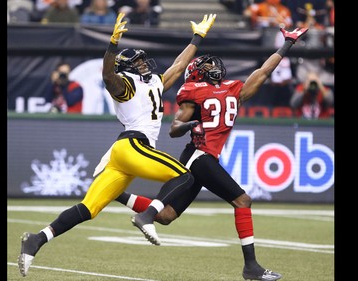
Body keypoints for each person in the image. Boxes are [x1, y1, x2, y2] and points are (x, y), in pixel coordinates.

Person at [18, 12, 216, 277]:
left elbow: (179, 67)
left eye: (145, 61)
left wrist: (197, 37)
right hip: (133, 145)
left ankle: (36, 240)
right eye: (139, 63)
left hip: (126, 155)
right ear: (129, 67)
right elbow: (108, 75)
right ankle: (146, 217)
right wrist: (112, 46)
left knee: (88, 209)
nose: (145, 65)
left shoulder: (155, 82)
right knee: (185, 176)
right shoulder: (125, 85)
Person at [115, 26, 309, 281]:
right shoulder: (192, 91)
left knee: (167, 216)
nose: (212, 66)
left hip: (206, 157)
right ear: (196, 73)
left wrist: (287, 44)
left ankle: (117, 194)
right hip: (197, 155)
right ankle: (251, 268)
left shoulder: (232, 89)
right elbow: (174, 129)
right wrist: (191, 125)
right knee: (243, 200)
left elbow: (264, 71)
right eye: (205, 65)